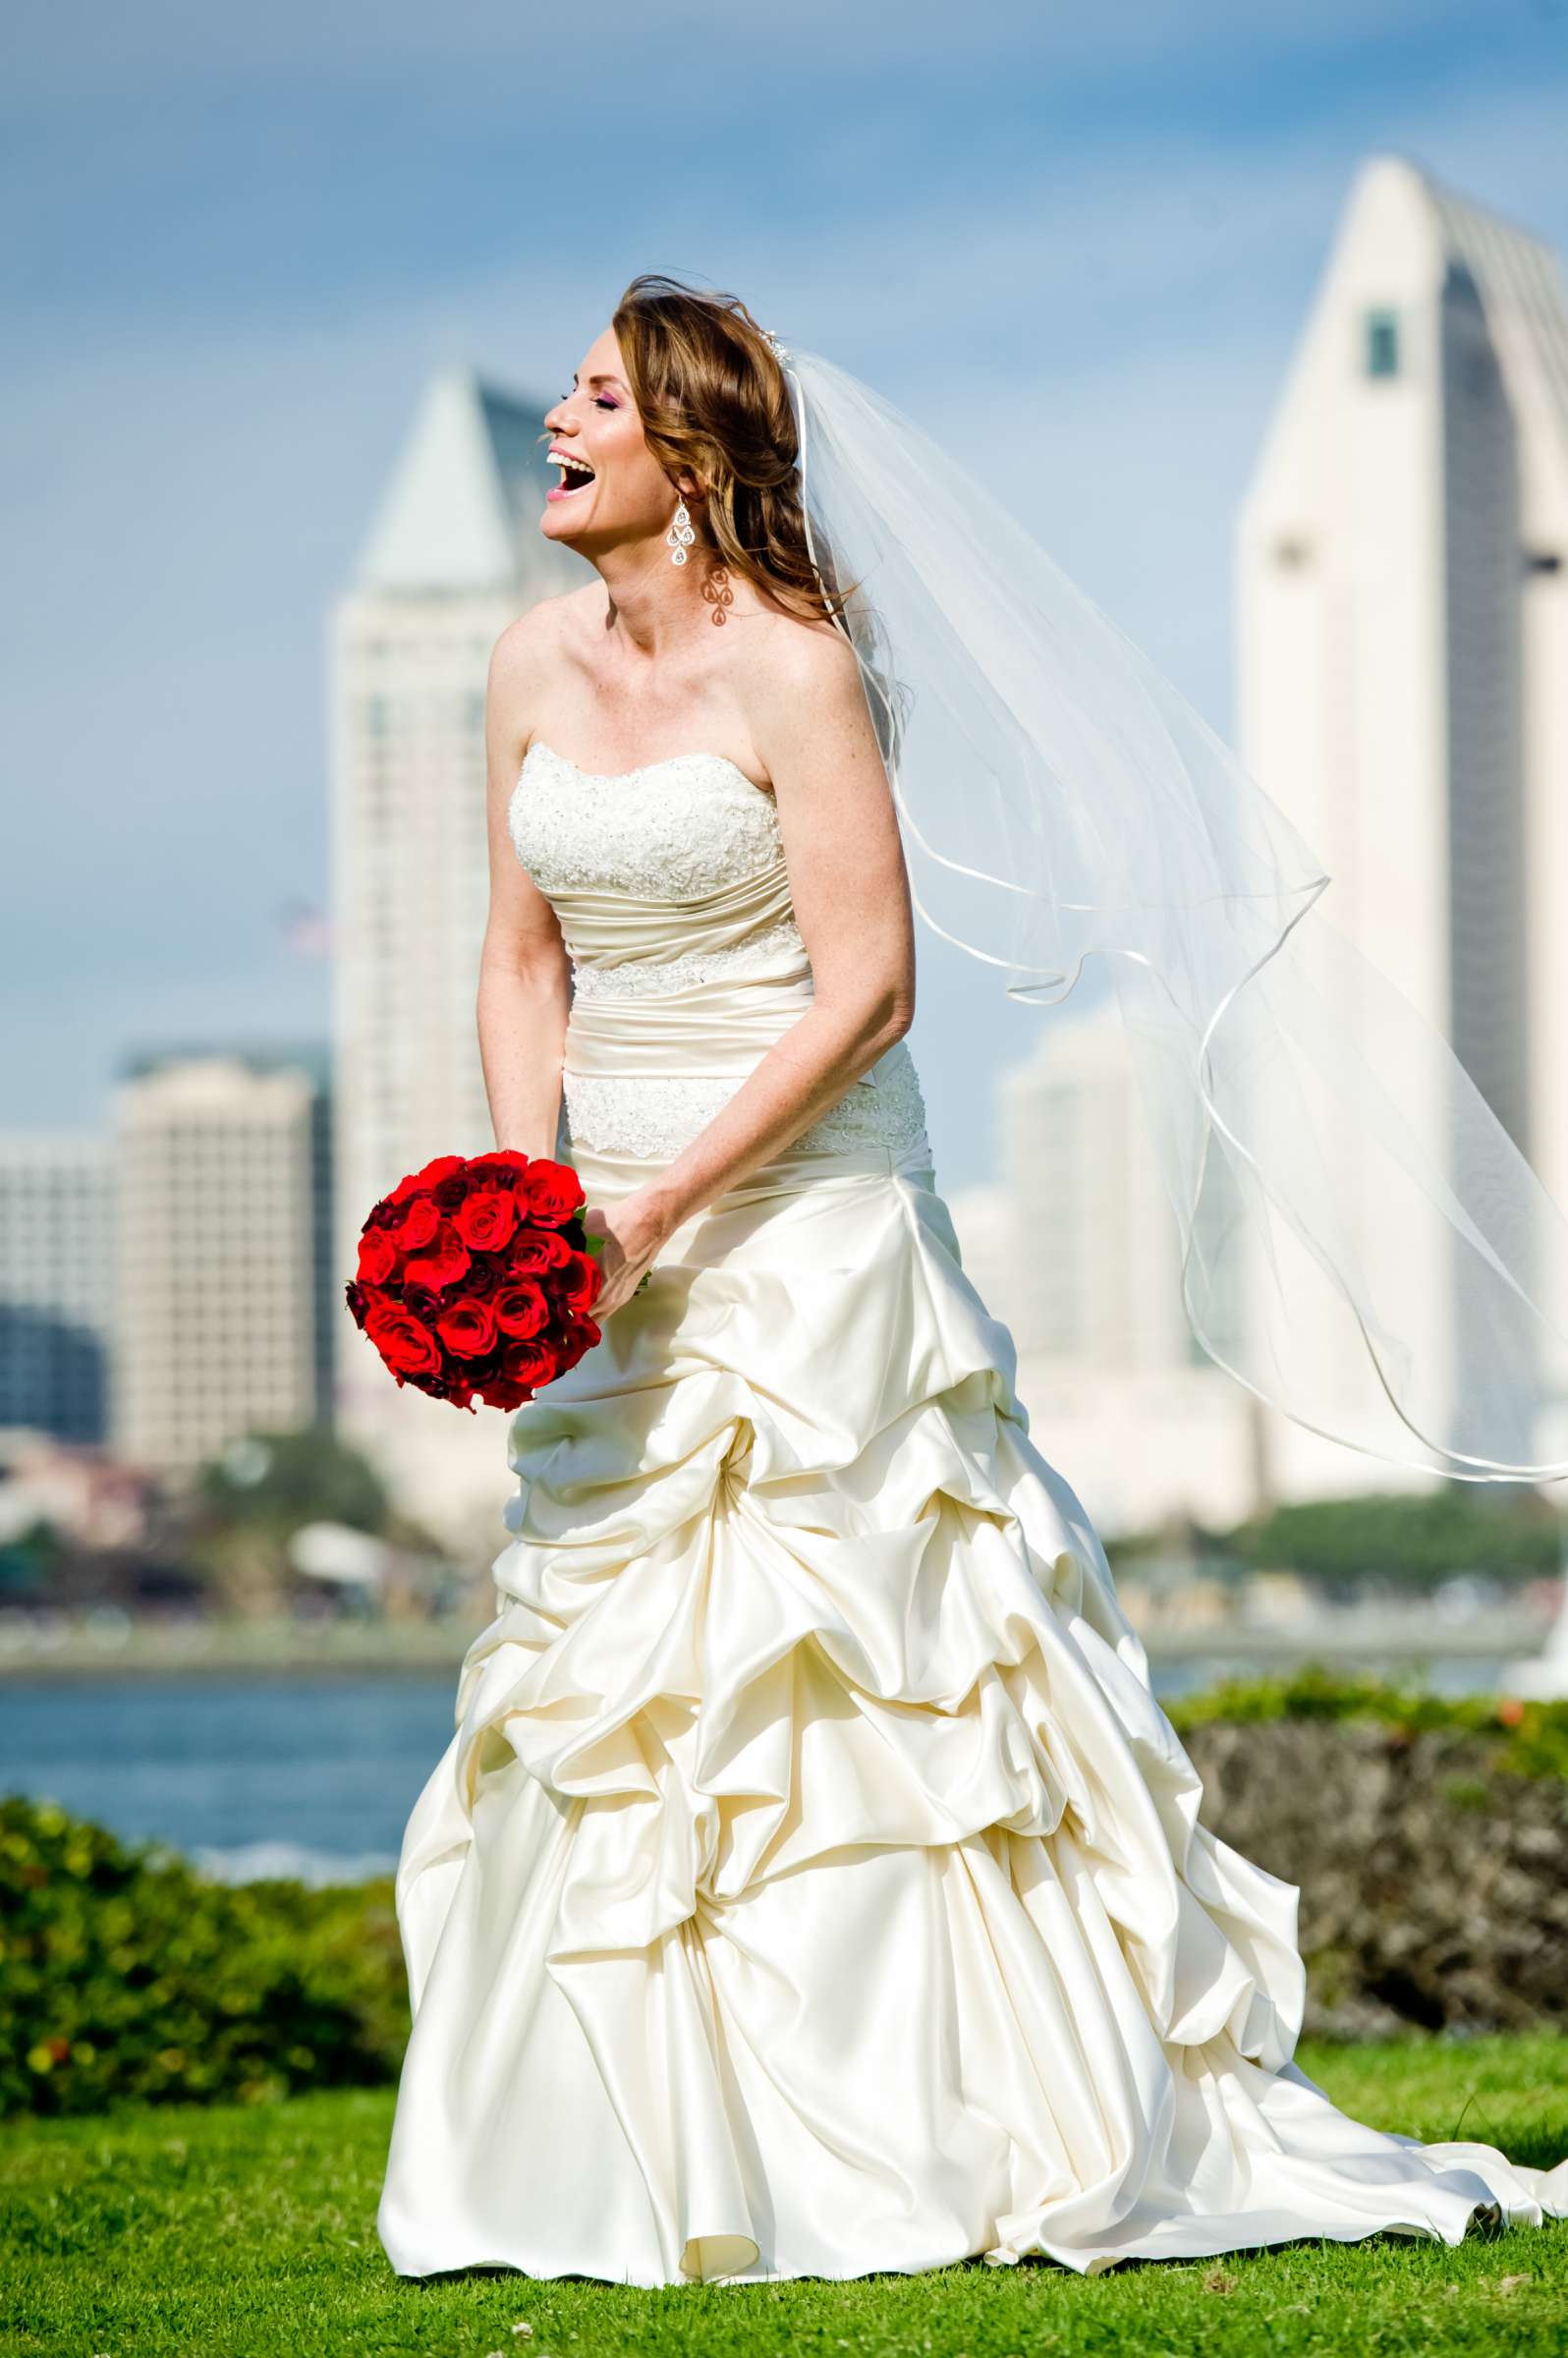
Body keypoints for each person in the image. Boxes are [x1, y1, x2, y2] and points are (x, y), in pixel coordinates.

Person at [375, 274, 1567, 2286]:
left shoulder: (797, 670)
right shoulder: (524, 666)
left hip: (805, 1212)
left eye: (598, 400)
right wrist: (530, 1188)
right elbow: (520, 957)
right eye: (564, 398)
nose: (558, 427)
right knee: (620, 1671)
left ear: (691, 447)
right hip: (596, 1216)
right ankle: (626, 2159)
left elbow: (872, 991)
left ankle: (925, 2133)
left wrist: (657, 1214)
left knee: (884, 1648)